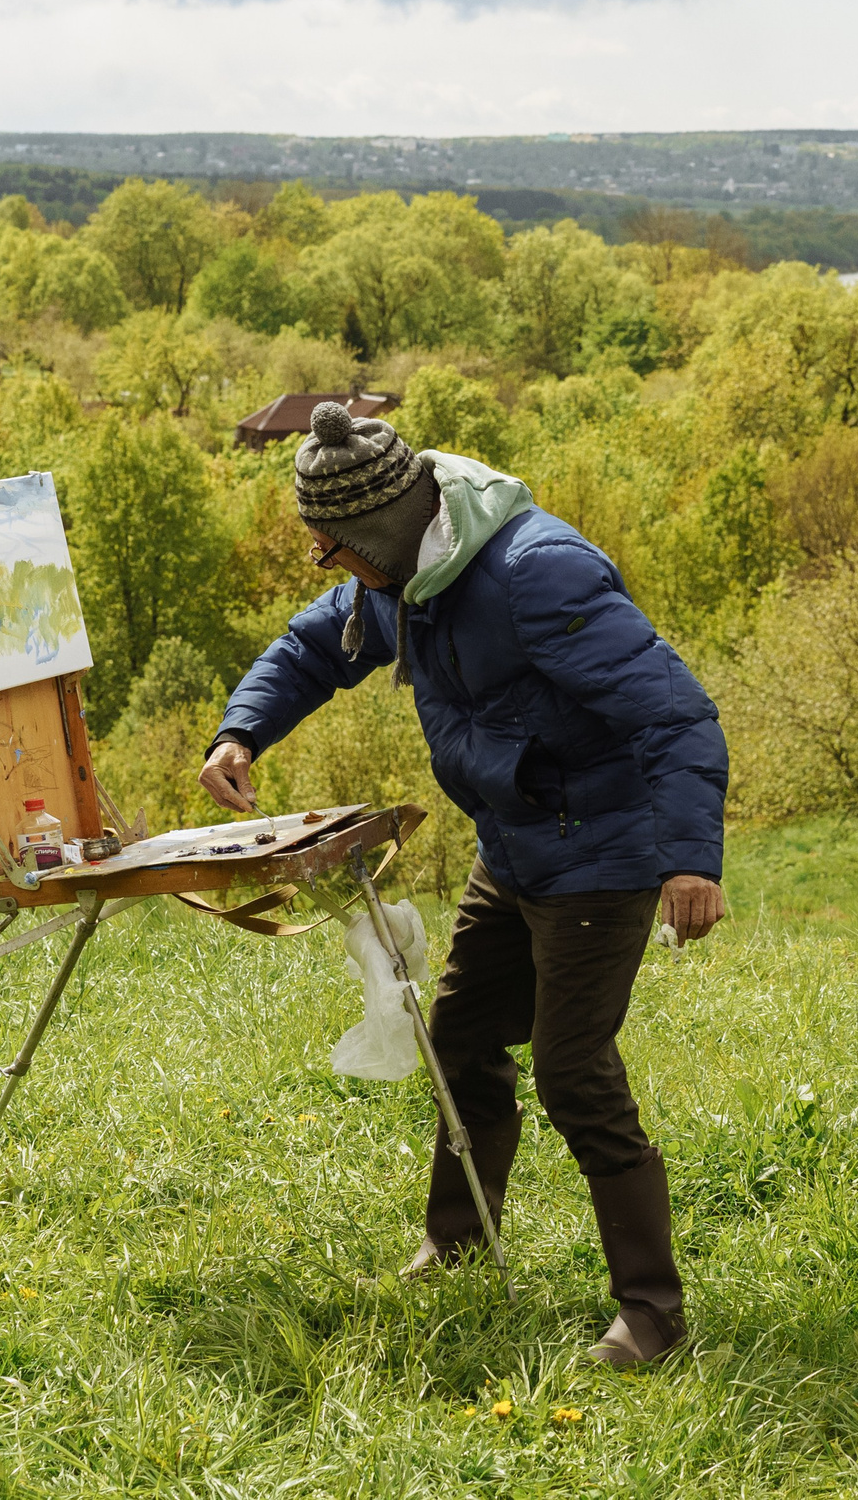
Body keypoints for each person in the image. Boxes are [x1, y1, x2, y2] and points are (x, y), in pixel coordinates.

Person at [200, 401, 728, 1367]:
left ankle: (653, 1312)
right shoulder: (400, 574)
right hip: (513, 844)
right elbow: (317, 644)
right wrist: (243, 728)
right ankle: (458, 1245)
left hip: (603, 849)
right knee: (464, 1046)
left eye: (331, 551)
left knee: (574, 1072)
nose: (328, 569)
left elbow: (678, 713)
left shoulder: (536, 572)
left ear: (378, 529)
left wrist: (691, 858)